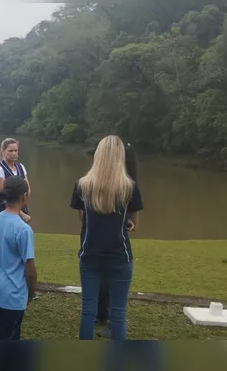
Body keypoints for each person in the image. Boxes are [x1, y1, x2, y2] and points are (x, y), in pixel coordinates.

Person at [70, 135, 144, 340]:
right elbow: (132, 223)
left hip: (90, 255)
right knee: (119, 314)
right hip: (120, 257)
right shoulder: (129, 187)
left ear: (98, 155)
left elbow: (83, 218)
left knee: (88, 311)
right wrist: (126, 223)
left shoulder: (82, 185)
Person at [0, 176, 37, 340]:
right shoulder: (24, 230)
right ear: (24, 196)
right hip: (13, 295)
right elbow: (30, 269)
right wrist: (31, 292)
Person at [96, 142, 139, 337]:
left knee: (106, 276)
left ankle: (105, 316)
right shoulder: (130, 183)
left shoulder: (103, 181)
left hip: (102, 241)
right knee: (113, 278)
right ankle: (106, 316)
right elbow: (133, 219)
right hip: (118, 241)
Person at [0, 138, 30, 222]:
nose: (14, 153)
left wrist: (23, 207)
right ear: (3, 152)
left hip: (21, 208)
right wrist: (21, 214)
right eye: (10, 151)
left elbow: (27, 189)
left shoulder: (21, 167)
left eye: (16, 150)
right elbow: (3, 196)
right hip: (4, 211)